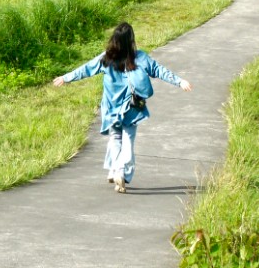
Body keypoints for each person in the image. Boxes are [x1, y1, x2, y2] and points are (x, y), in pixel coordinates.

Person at [52, 22, 191, 192]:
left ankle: (114, 170)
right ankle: (120, 172)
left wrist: (66, 78)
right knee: (128, 141)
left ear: (114, 40)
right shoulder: (139, 58)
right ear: (131, 40)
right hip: (132, 109)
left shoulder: (106, 59)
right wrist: (179, 81)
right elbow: (159, 70)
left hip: (111, 108)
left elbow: (86, 69)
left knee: (115, 138)